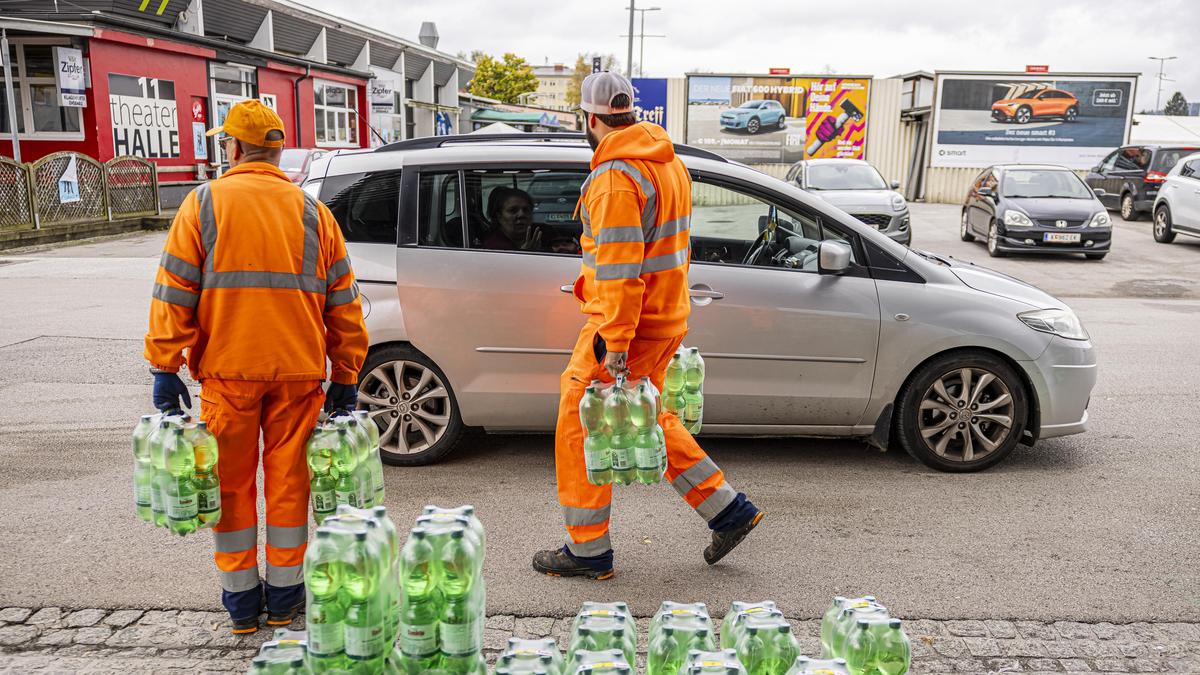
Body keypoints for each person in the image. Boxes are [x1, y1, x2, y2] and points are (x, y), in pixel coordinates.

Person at [144, 99, 368, 634]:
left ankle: (242, 604)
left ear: (236, 147)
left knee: (232, 486)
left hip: (229, 373)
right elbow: (345, 303)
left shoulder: (203, 205)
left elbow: (174, 291)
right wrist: (347, 373)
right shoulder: (315, 213)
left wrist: (164, 364)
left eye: (226, 142)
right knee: (289, 484)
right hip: (298, 374)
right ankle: (287, 597)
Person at [532, 72, 763, 580]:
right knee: (646, 417)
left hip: (628, 328)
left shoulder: (616, 177)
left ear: (588, 120)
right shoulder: (667, 163)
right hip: (664, 319)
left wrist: (613, 341)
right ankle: (727, 510)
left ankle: (588, 550)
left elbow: (620, 269)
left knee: (581, 421)